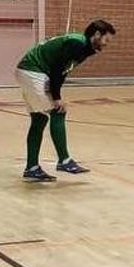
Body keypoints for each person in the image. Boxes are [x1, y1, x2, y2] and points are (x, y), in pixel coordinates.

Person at [15, 20, 116, 182]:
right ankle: (63, 161)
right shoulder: (77, 44)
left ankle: (33, 168)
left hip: (31, 72)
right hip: (34, 71)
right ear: (97, 34)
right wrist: (57, 97)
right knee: (56, 111)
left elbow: (62, 71)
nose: (106, 44)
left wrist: (57, 95)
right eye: (106, 40)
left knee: (40, 118)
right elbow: (57, 70)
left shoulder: (84, 46)